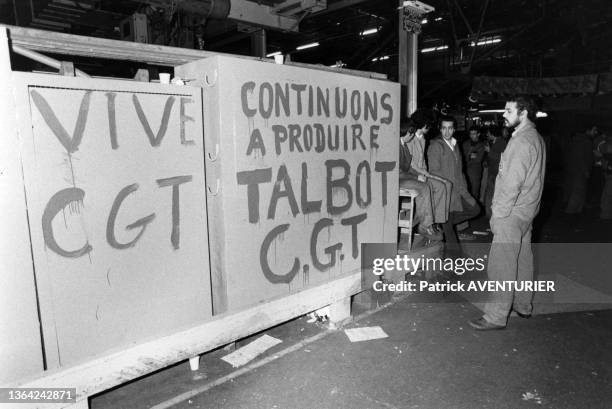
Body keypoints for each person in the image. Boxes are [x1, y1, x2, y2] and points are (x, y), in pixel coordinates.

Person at [469, 95, 546, 330]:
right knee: (523, 261)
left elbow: (512, 182)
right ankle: (523, 306)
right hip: (527, 211)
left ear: (523, 114)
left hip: (511, 212)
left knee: (501, 265)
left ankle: (495, 316)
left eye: (509, 111)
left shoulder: (522, 142)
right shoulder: (535, 138)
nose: (504, 114)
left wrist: (498, 214)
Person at [427, 116, 480, 246]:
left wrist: (464, 189)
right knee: (449, 230)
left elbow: (460, 170)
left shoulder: (455, 145)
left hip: (458, 190)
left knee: (476, 209)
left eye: (450, 128)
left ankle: (443, 223)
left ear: (454, 129)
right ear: (440, 129)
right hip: (444, 192)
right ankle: (454, 257)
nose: (447, 132)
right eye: (444, 128)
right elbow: (434, 172)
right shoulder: (436, 146)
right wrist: (446, 186)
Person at [398, 117, 442, 240]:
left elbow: (407, 168)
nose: (411, 136)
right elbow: (399, 171)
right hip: (398, 179)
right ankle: (424, 225)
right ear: (404, 131)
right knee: (424, 187)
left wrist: (419, 175)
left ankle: (423, 221)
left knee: (427, 185)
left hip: (404, 177)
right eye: (410, 133)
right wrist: (417, 176)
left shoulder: (403, 145)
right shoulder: (397, 145)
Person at [564, 125, 597, 214]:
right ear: (588, 130)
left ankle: (577, 209)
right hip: (580, 171)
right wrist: (585, 170)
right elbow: (581, 157)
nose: (596, 132)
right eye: (594, 130)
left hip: (574, 169)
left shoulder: (577, 140)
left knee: (577, 189)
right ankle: (570, 211)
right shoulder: (584, 141)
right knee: (578, 190)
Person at [483, 126, 508, 218]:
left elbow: (503, 158)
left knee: (496, 194)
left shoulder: (502, 143)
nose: (487, 135)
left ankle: (495, 214)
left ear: (493, 133)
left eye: (488, 133)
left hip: (498, 173)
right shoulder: (492, 142)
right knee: (490, 194)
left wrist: (489, 152)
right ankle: (490, 214)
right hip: (491, 172)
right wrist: (486, 160)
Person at [462, 126, 486, 200]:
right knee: (465, 191)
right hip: (465, 171)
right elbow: (462, 157)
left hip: (476, 171)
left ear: (478, 134)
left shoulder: (482, 145)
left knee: (475, 191)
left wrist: (469, 155)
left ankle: (475, 209)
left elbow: (478, 159)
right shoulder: (465, 144)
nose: (472, 136)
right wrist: (470, 155)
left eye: (474, 134)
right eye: (470, 134)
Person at [594, 131, 612, 220]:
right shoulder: (605, 143)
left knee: (607, 196)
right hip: (608, 173)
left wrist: (602, 155)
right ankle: (605, 215)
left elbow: (609, 156)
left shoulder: (606, 144)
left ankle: (606, 215)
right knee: (606, 195)